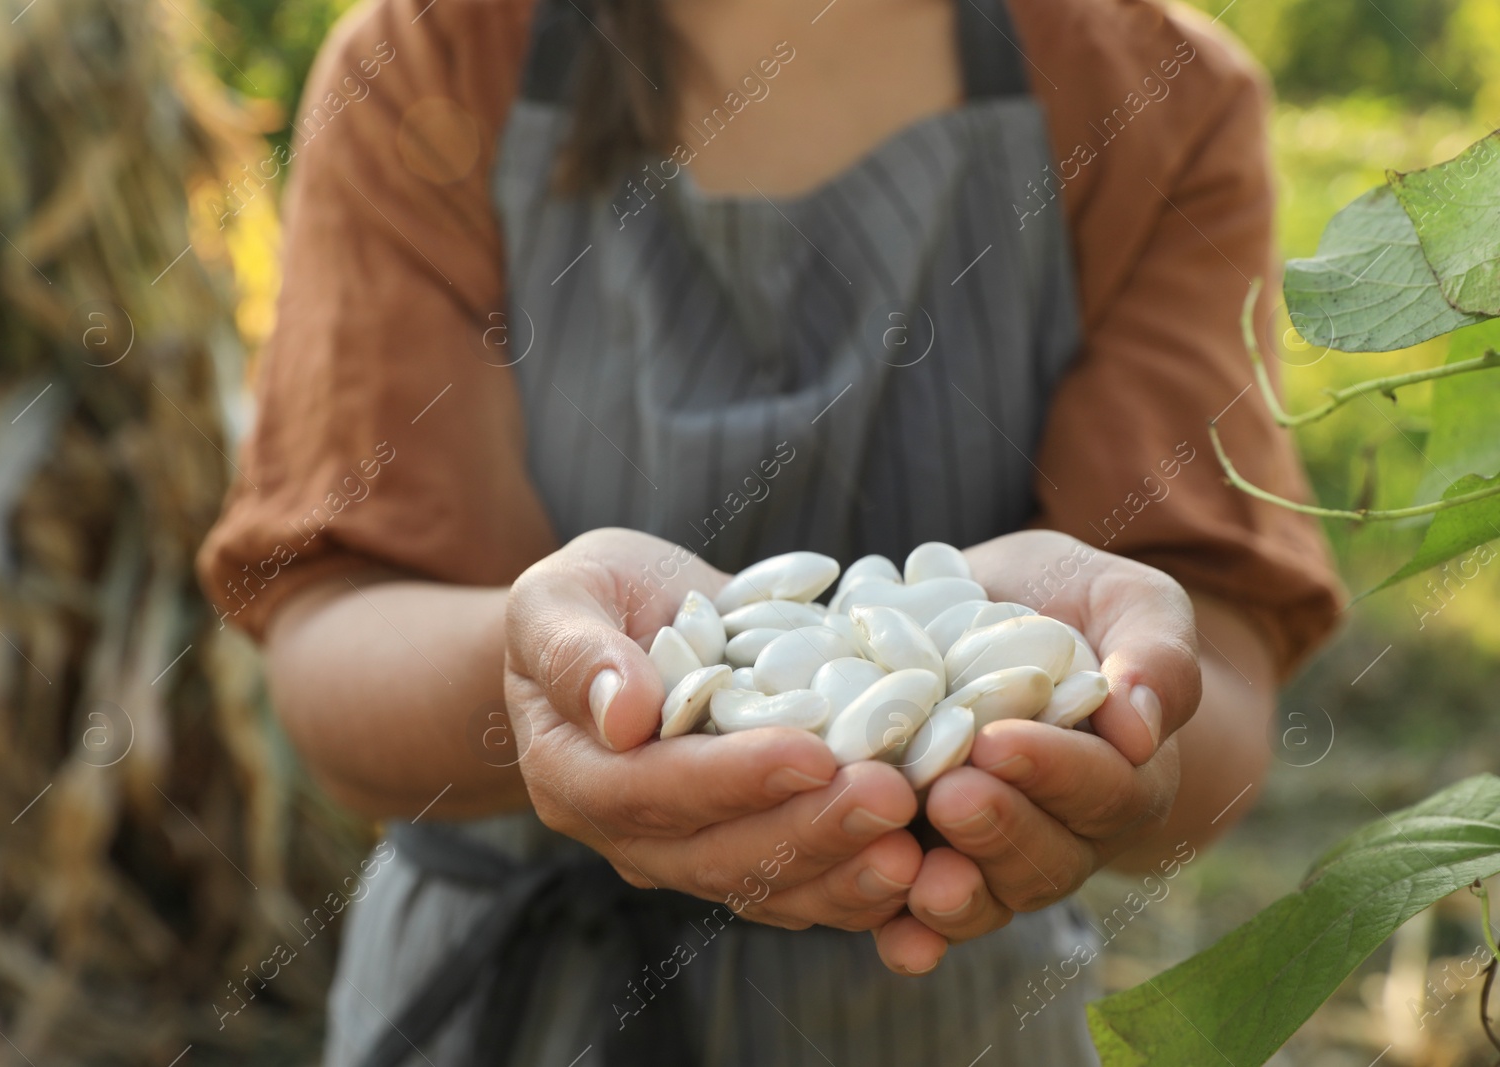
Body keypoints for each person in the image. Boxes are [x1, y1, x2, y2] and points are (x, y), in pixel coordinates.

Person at [197, 0, 1344, 1062]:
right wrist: (537, 665)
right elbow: (330, 650)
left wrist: (1105, 720)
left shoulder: (1152, 95)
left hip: (948, 1009)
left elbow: (1218, 700)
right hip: (504, 1007)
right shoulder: (432, 61)